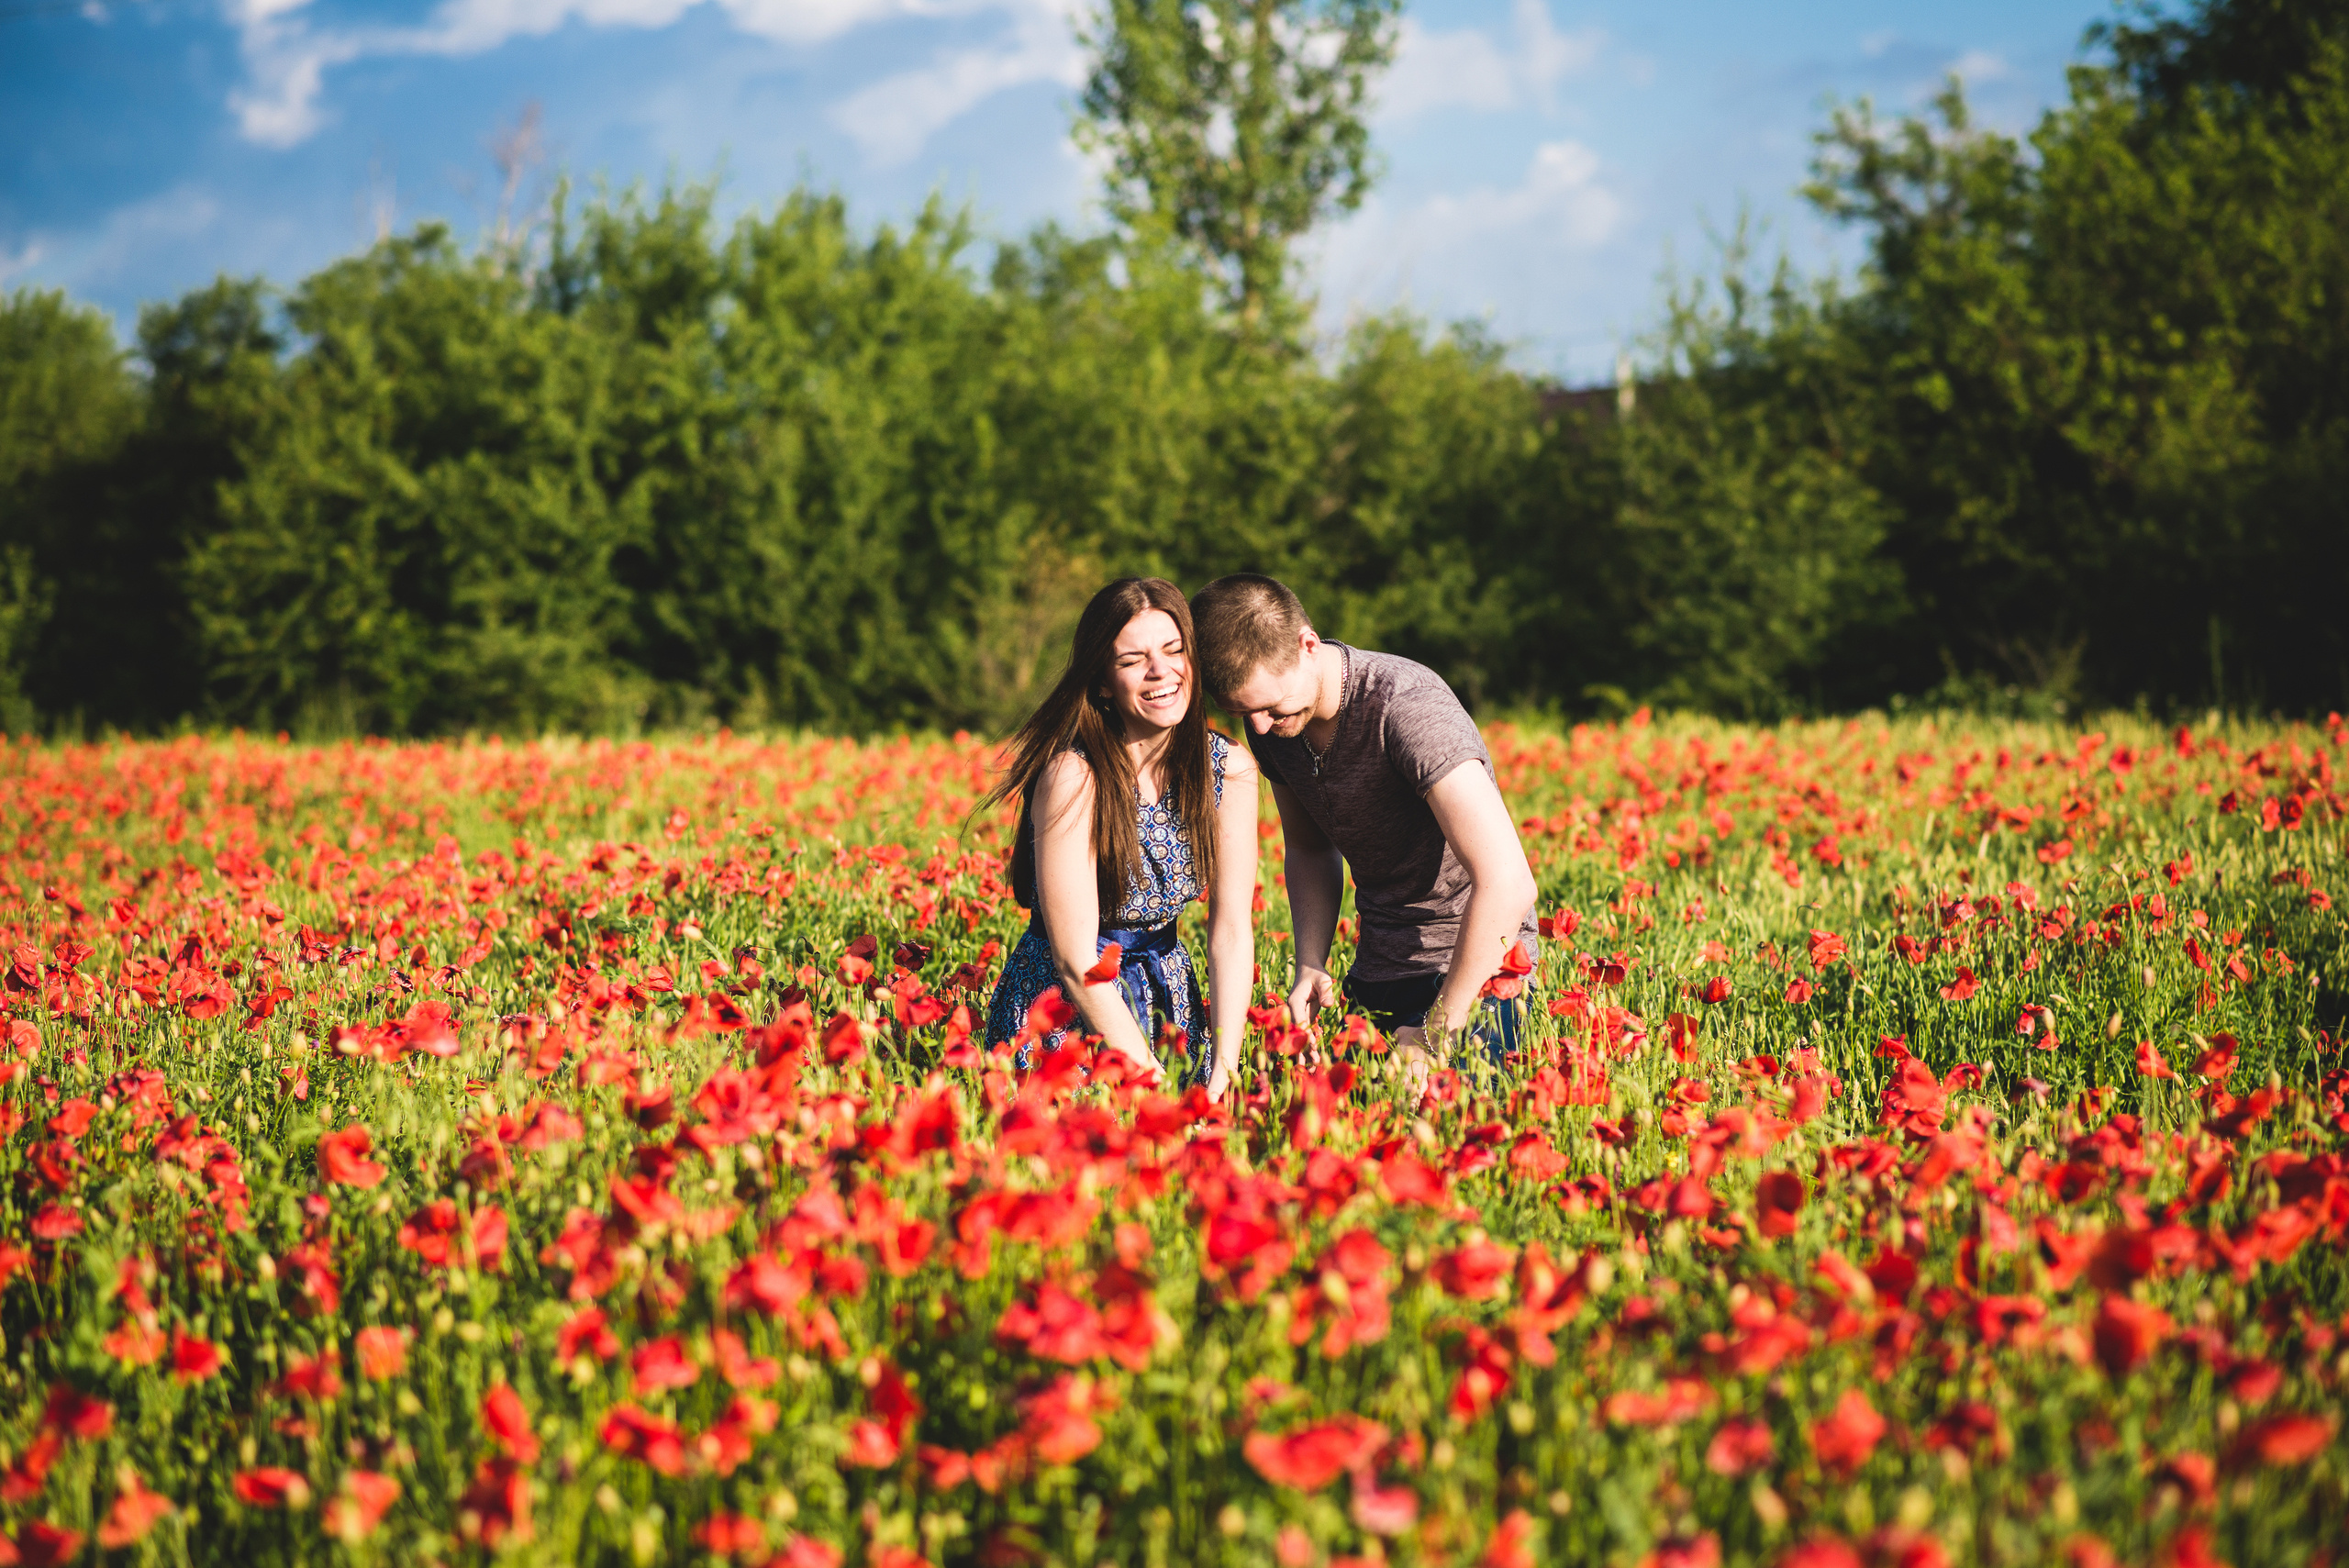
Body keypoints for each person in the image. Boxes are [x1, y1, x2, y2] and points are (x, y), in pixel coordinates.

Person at [1188, 573, 1537, 1073]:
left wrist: (1437, 1033)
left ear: (1308, 644)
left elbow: (1508, 883)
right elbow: (1309, 850)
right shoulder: (1271, 725)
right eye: (1242, 712)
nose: (1259, 728)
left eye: (1269, 706)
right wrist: (1310, 963)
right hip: (1380, 963)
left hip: (1481, 969)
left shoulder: (1407, 708)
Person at [981, 578, 1259, 1096]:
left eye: (1175, 651)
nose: (1162, 671)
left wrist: (1224, 1062)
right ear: (1103, 681)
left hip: (1168, 1002)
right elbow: (1075, 956)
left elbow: (1231, 931)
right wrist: (1148, 1078)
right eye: (1134, 660)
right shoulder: (1074, 775)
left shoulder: (1230, 771)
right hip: (1063, 1011)